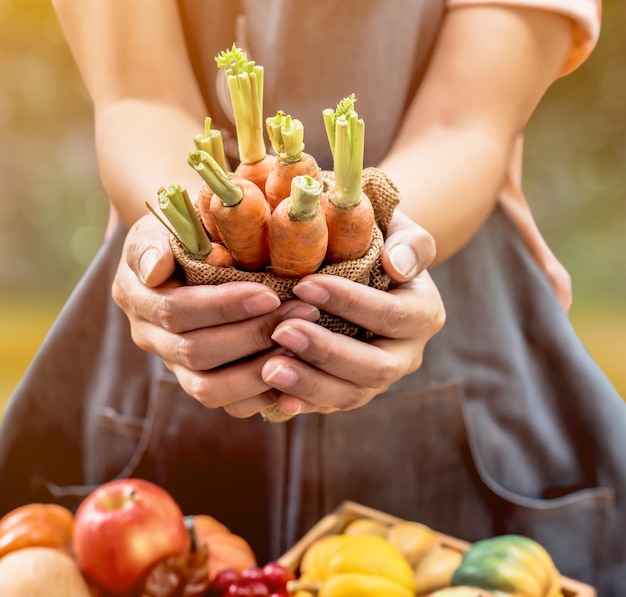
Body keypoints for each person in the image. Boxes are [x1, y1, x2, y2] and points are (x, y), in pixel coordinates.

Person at [1, 1, 625, 595]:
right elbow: (138, 97)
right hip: (177, 314)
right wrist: (190, 236)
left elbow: (465, 122)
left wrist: (379, 250)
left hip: (459, 307)